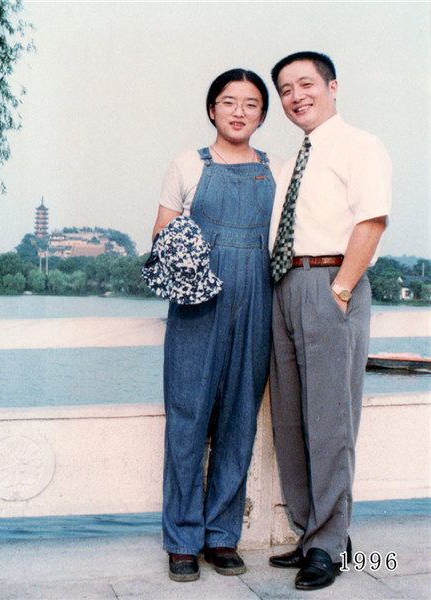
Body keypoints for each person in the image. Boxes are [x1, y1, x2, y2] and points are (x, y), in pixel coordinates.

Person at [151, 68, 283, 582]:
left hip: (258, 298)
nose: (239, 112)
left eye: (251, 104)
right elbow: (162, 234)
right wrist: (197, 274)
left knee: (239, 418)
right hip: (197, 300)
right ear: (212, 109)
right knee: (187, 417)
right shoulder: (187, 164)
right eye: (229, 102)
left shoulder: (278, 168)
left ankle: (222, 536)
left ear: (262, 116)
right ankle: (182, 540)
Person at [268, 52, 391, 591]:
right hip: (285, 284)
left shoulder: (360, 144)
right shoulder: (294, 156)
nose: (296, 96)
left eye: (305, 84)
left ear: (332, 86)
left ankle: (330, 544)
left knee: (330, 421)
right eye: (285, 90)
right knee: (290, 421)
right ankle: (308, 532)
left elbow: (372, 219)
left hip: (330, 282)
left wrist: (341, 288)